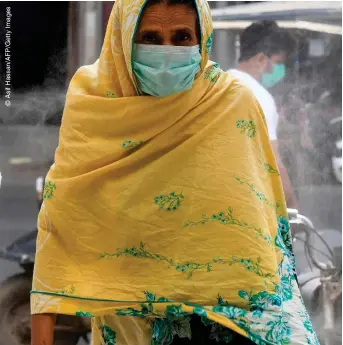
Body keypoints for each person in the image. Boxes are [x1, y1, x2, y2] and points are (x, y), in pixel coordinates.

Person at [31, 1, 318, 345]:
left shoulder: (232, 102)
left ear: (202, 38)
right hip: (137, 326)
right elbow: (57, 231)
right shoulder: (95, 104)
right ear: (123, 40)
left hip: (241, 324)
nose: (166, 52)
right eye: (150, 37)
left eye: (182, 36)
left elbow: (261, 230)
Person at [229, 21, 299, 210]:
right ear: (261, 59)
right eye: (277, 63)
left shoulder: (220, 83)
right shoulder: (258, 96)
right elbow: (271, 162)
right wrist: (291, 206)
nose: (277, 70)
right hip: (246, 203)